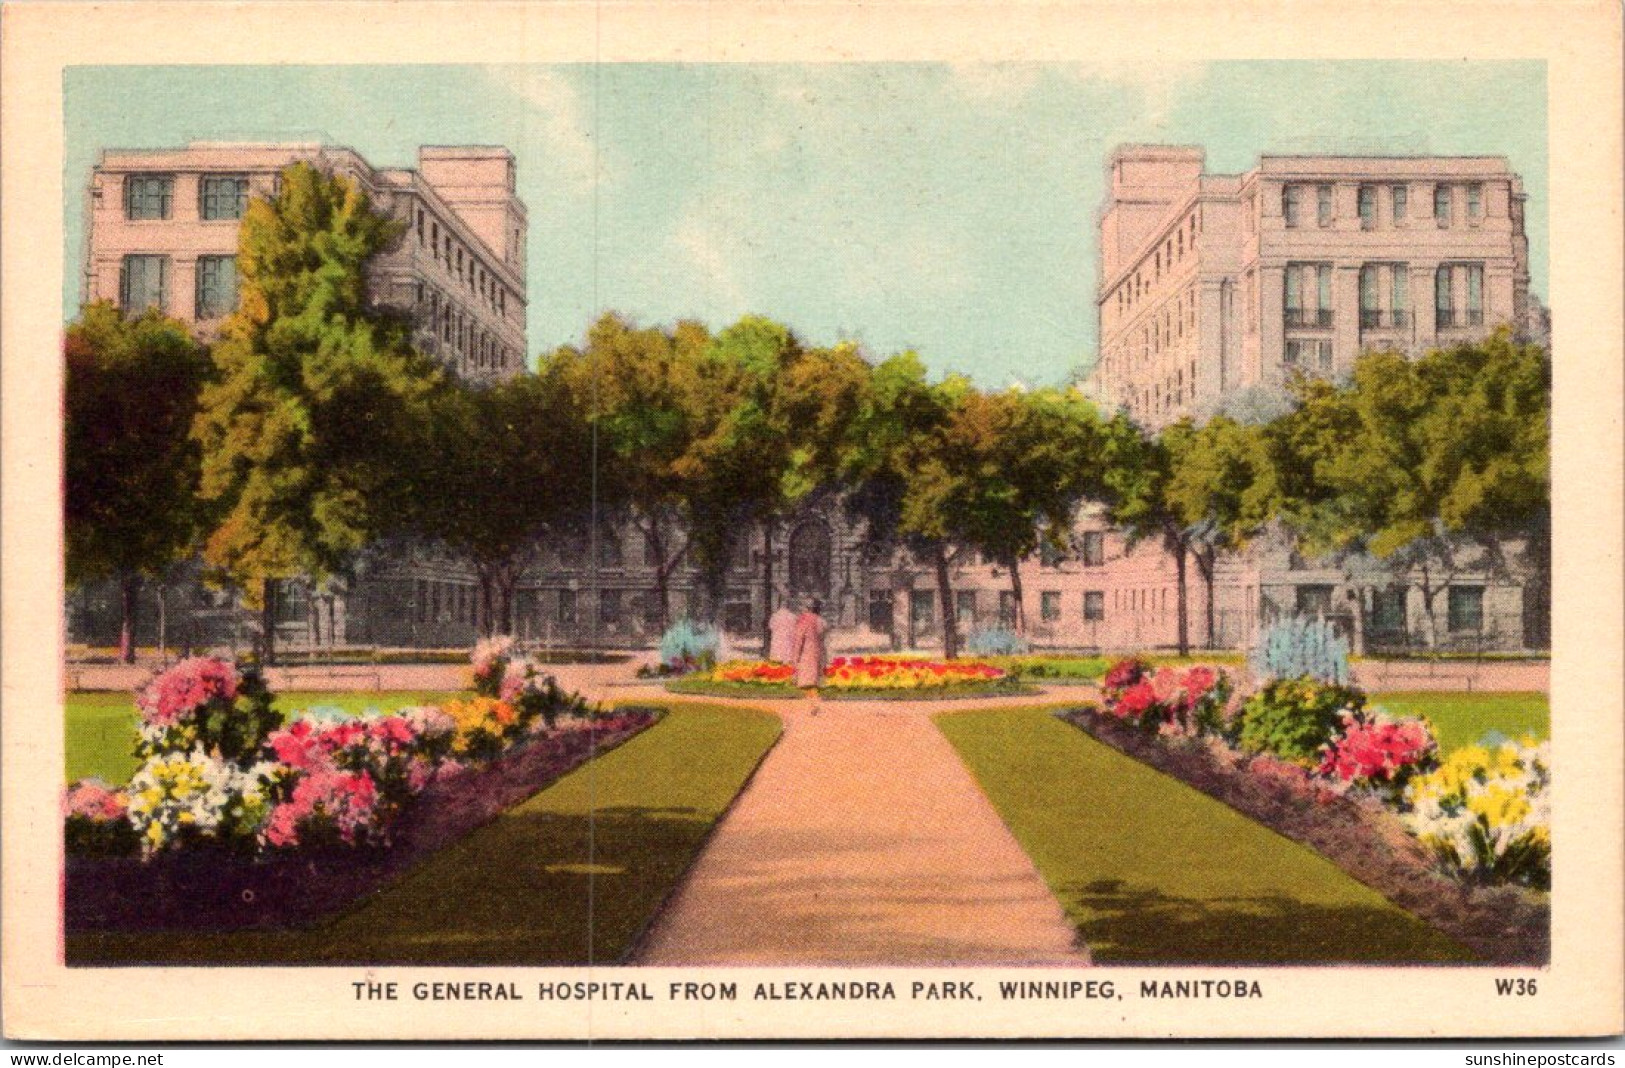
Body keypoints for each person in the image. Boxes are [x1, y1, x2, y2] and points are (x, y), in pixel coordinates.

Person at [791, 597, 829, 712]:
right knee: (813, 680)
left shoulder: (803, 620)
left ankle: (815, 704)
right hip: (820, 652)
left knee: (806, 682)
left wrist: (795, 658)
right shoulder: (821, 620)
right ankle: (814, 704)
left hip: (806, 654)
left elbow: (799, 641)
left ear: (808, 608)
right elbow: (823, 637)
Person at [768, 599, 798, 664]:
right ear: (789, 606)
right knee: (788, 661)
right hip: (788, 640)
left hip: (777, 639)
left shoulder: (775, 616)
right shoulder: (793, 616)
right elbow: (796, 629)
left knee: (777, 661)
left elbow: (771, 627)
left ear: (780, 606)